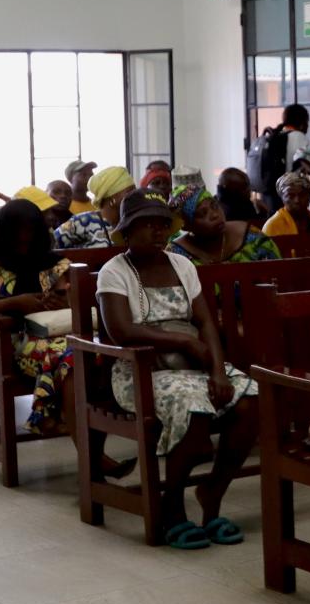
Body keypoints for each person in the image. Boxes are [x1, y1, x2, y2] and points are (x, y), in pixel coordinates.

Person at [96, 194, 259, 549]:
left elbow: (205, 323)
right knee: (193, 404)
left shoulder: (182, 266)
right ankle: (172, 506)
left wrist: (218, 370)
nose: (158, 231)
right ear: (127, 231)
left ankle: (212, 492)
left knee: (250, 398)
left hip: (194, 364)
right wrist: (183, 343)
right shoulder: (115, 271)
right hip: (140, 371)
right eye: (147, 224)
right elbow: (121, 330)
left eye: (162, 224)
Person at [0, 198, 91, 449]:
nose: (24, 241)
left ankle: (76, 442)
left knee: (73, 357)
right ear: (3, 234)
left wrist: (62, 298)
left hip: (54, 337)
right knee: (68, 358)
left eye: (30, 234)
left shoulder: (50, 262)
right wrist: (12, 303)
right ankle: (88, 456)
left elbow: (73, 298)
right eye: (17, 235)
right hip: (6, 347)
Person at [170, 185, 280, 264]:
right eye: (203, 213)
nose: (215, 215)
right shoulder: (177, 253)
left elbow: (280, 275)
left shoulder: (251, 238)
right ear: (186, 226)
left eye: (214, 206)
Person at [55, 166, 136, 249]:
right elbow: (49, 245)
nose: (135, 196)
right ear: (112, 199)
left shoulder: (133, 222)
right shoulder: (82, 222)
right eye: (129, 192)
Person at [254, 104, 310, 215]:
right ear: (302, 123)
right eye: (307, 122)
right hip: (288, 196)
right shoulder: (299, 137)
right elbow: (302, 166)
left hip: (268, 196)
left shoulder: (275, 136)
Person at [262, 171, 310, 236]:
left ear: (309, 197)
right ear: (282, 198)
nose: (297, 200)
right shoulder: (272, 227)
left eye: (302, 195)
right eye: (290, 195)